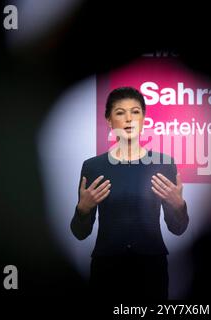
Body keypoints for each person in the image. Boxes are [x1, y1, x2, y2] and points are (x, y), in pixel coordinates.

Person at [70, 87, 189, 300]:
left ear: (144, 119)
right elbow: (80, 233)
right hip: (107, 269)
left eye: (135, 112)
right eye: (119, 112)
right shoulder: (93, 167)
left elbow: (178, 228)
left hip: (151, 269)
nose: (128, 119)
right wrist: (82, 210)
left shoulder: (163, 163)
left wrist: (179, 206)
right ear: (109, 121)